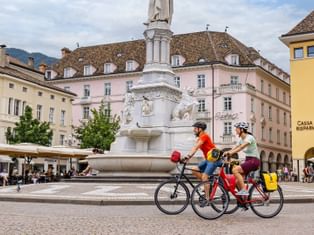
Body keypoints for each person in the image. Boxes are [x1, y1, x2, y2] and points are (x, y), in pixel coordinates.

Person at [223, 122, 260, 196]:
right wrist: (227, 152)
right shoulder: (241, 139)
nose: (235, 130)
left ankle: (244, 191)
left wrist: (230, 153)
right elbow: (235, 147)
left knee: (235, 170)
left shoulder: (249, 137)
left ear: (242, 129)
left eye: (237, 128)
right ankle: (243, 201)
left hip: (254, 161)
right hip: (248, 160)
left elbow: (241, 147)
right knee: (237, 182)